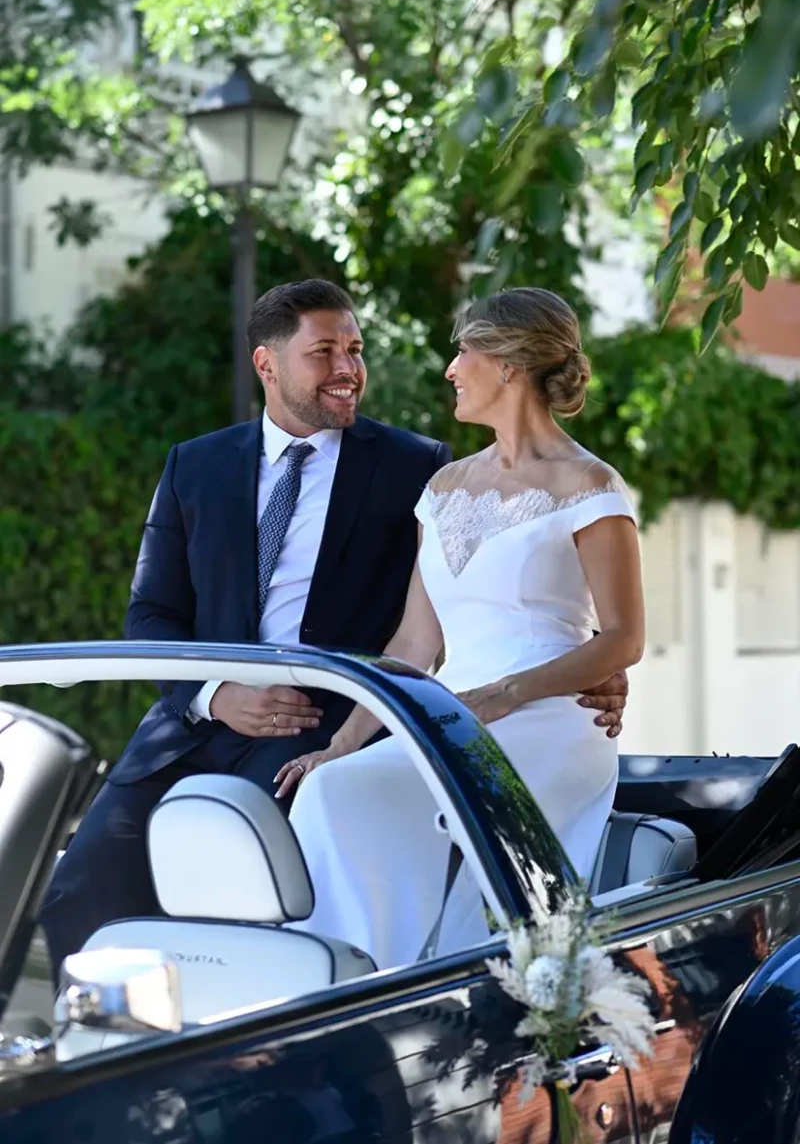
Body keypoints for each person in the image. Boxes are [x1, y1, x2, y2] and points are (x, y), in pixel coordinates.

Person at [39, 279, 626, 982]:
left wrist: (583, 664)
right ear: (268, 364)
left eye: (355, 349)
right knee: (76, 891)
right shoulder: (194, 465)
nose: (349, 368)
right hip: (191, 726)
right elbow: (150, 615)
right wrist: (215, 693)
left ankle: (300, 1028)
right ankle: (100, 1065)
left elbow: (499, 595)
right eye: (325, 352)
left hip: (319, 719)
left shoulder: (418, 465)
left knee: (241, 892)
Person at [276, 286, 645, 971]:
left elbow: (623, 638)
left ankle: (460, 988)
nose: (452, 367)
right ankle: (349, 983)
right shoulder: (444, 488)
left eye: (464, 349)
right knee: (336, 789)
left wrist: (504, 695)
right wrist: (341, 742)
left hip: (551, 718)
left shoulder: (591, 484)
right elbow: (414, 646)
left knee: (470, 832)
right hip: (455, 715)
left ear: (508, 363)